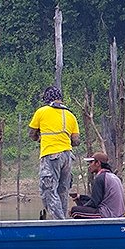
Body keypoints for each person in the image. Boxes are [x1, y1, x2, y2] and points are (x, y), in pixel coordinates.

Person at [28, 85, 80, 219]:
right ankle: (64, 222)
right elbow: (76, 141)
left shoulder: (42, 112)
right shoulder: (70, 115)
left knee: (49, 190)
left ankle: (59, 222)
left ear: (46, 99)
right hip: (68, 156)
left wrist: (41, 137)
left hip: (51, 155)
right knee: (63, 190)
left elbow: (31, 134)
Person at [70, 152, 125, 218]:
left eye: (91, 162)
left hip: (108, 214)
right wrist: (81, 198)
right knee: (82, 202)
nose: (89, 165)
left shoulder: (100, 177)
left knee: (75, 211)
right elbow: (98, 199)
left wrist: (82, 207)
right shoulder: (112, 176)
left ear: (98, 163)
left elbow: (94, 203)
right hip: (117, 213)